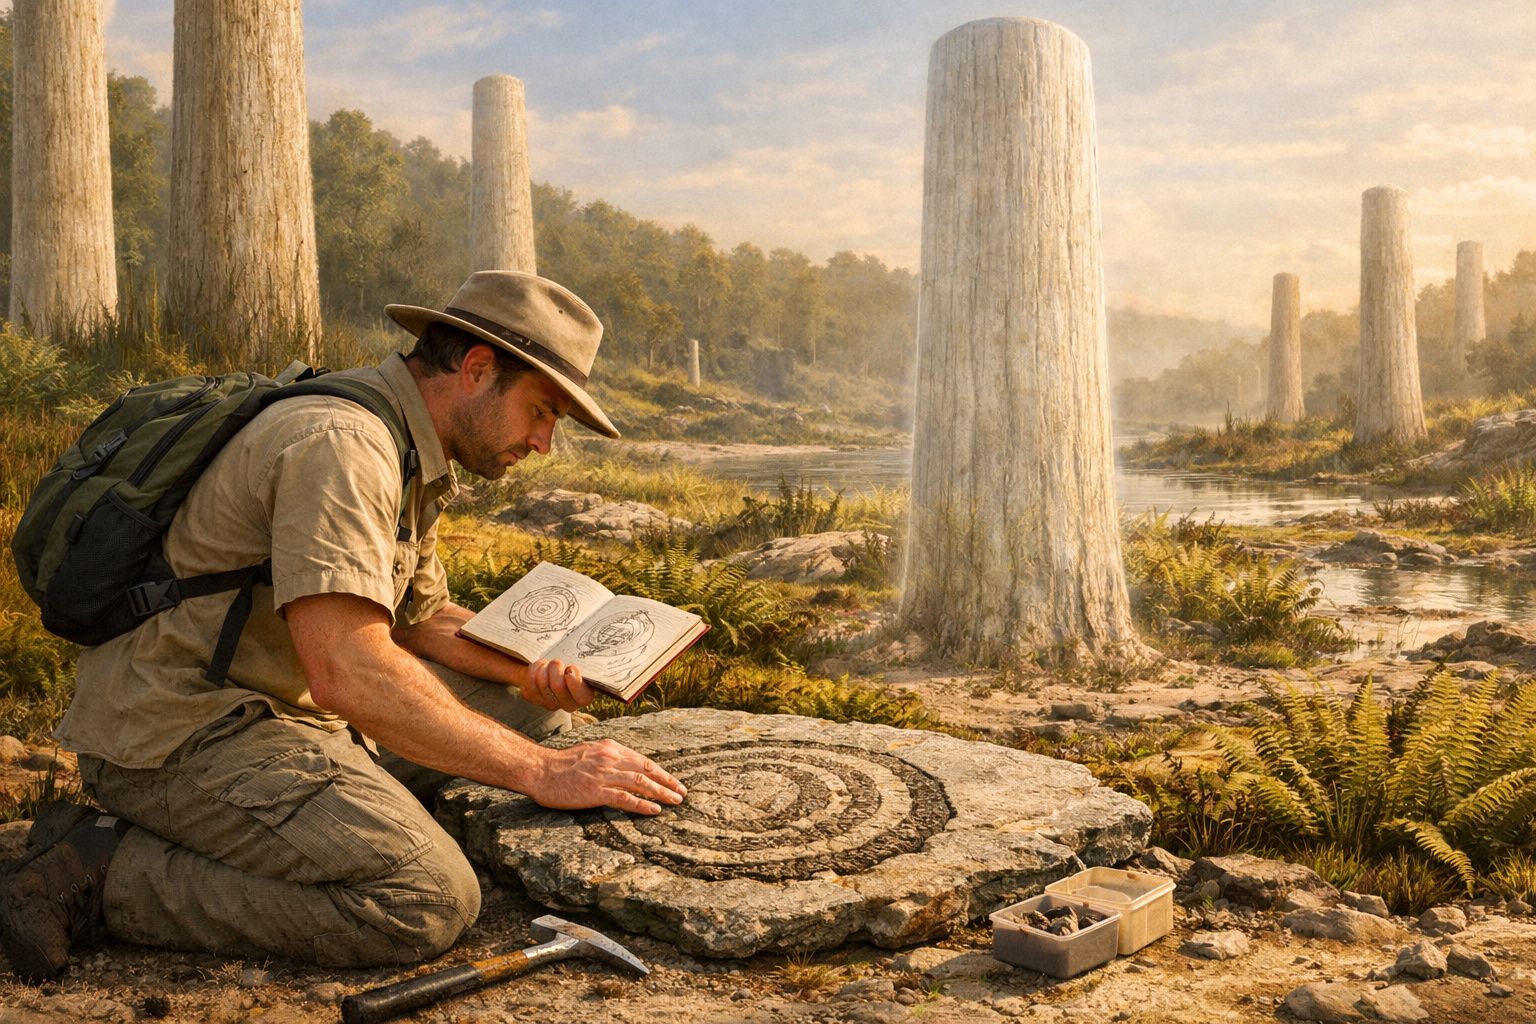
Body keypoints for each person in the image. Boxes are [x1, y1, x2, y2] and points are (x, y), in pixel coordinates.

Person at [0, 271, 686, 981]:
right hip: (182, 730)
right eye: (542, 411)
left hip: (285, 709)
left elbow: (417, 622)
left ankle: (335, 821)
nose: (544, 442)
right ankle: (102, 868)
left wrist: (533, 669)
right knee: (425, 898)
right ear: (478, 369)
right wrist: (540, 775)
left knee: (533, 716)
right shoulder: (342, 445)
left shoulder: (409, 443)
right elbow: (347, 667)